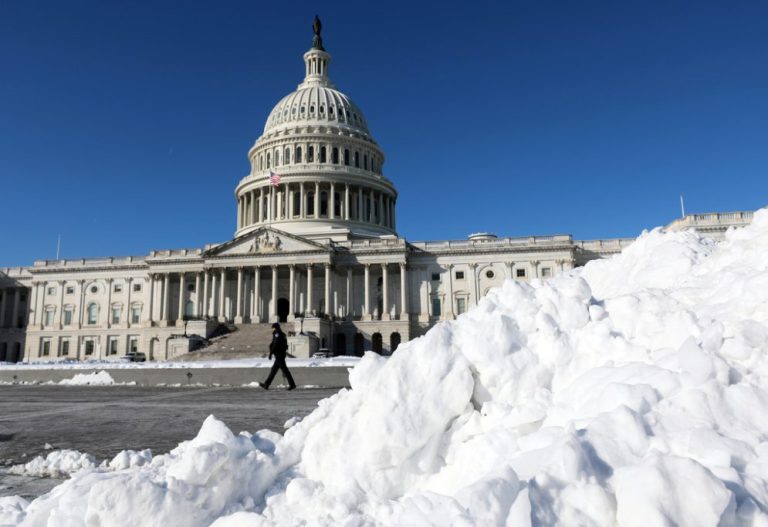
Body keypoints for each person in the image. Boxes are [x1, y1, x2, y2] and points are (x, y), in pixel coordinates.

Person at [260, 323, 296, 390]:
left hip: (279, 355)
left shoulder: (277, 334)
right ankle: (266, 384)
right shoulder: (282, 334)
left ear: (275, 328)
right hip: (281, 354)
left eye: (273, 328)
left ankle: (292, 385)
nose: (272, 329)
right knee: (274, 370)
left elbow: (275, 344)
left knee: (285, 371)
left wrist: (271, 353)